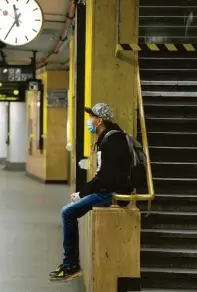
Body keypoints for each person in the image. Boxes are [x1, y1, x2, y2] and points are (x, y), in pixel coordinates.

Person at [49, 102, 133, 282]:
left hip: (111, 194)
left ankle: (70, 263)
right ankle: (70, 262)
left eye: (91, 117)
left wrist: (81, 194)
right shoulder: (111, 138)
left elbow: (105, 178)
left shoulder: (112, 141)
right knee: (70, 211)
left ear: (99, 120)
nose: (89, 120)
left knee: (67, 212)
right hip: (111, 189)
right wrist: (83, 192)